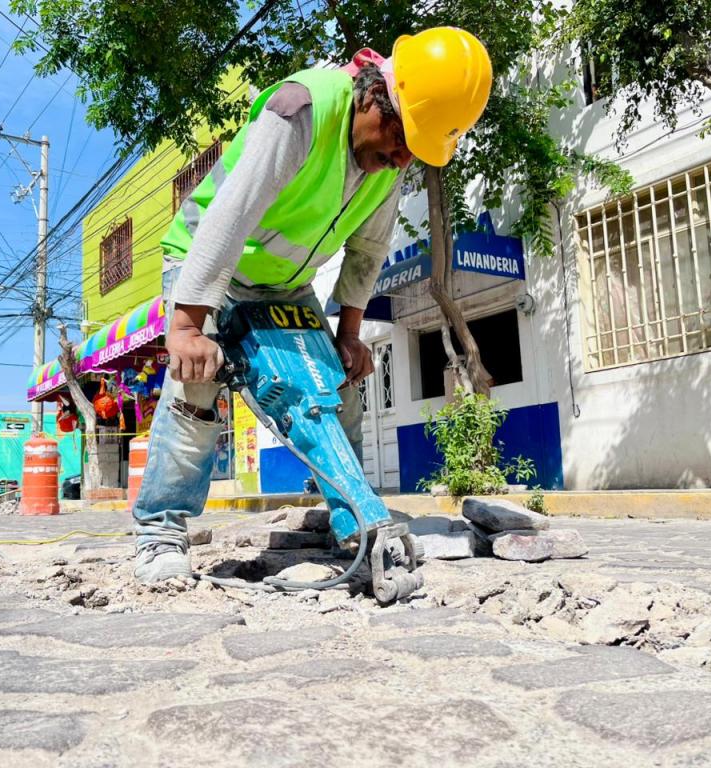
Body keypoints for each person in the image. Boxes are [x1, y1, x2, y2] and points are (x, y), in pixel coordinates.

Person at [132, 27, 493, 583]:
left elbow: (368, 250)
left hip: (286, 283)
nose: (401, 159)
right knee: (196, 385)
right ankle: (160, 531)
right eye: (400, 139)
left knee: (334, 387)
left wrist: (348, 336)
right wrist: (186, 327)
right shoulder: (300, 109)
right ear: (377, 96)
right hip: (212, 263)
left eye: (414, 152)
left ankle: (347, 514)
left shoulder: (389, 162)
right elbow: (232, 216)